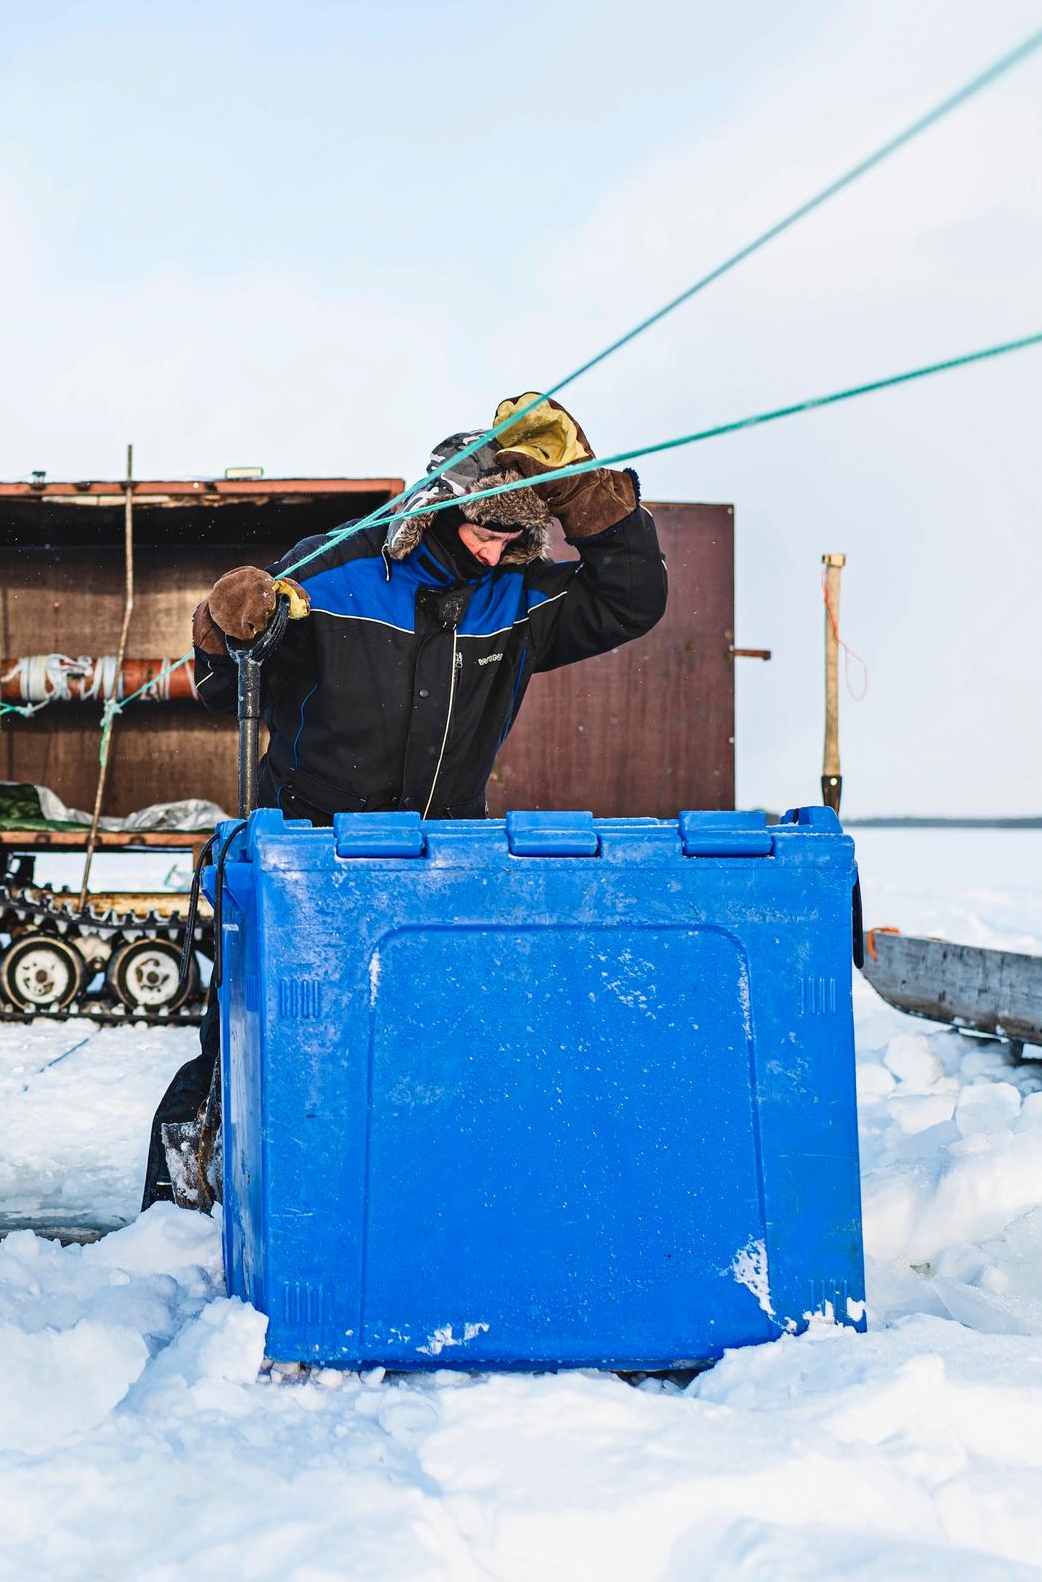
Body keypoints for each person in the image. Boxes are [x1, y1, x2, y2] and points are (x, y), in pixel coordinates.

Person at [143, 393, 668, 1209]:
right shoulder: (333, 569)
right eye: (483, 531)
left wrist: (585, 498)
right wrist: (223, 631)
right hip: (305, 864)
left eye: (514, 537)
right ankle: (180, 1214)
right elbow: (228, 680)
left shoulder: (520, 602)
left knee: (424, 1056)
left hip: (438, 874)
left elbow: (633, 599)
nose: (495, 554)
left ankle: (397, 1211)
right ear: (432, 512)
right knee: (251, 1049)